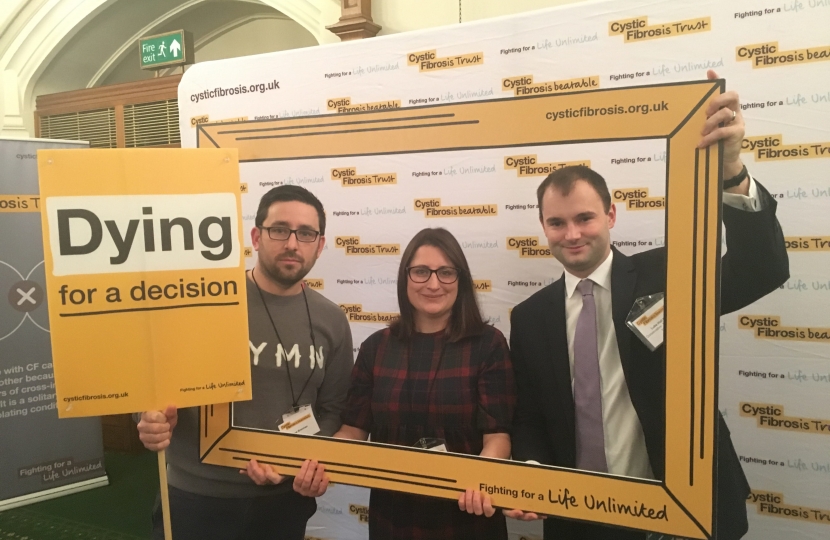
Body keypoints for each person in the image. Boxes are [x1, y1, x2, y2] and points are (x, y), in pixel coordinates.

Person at [506, 70, 789, 540]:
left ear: (611, 215)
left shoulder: (669, 272)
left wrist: (732, 173)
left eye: (584, 217)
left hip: (682, 510)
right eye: (557, 223)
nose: (572, 234)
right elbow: (531, 415)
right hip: (583, 518)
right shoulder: (531, 317)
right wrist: (532, 473)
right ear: (542, 227)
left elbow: (762, 270)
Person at [136, 185, 354, 540]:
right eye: (279, 230)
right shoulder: (205, 302)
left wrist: (293, 462)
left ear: (320, 244)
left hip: (283, 502)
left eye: (306, 233)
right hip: (195, 496)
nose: (292, 244)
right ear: (256, 236)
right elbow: (154, 382)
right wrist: (148, 417)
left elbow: (333, 410)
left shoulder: (332, 321)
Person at [298, 227, 516, 540]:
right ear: (405, 278)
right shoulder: (376, 348)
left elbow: (498, 436)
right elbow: (353, 431)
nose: (433, 283)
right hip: (393, 519)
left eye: (446, 272)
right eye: (421, 272)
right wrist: (314, 462)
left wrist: (483, 478)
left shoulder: (488, 344)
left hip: (468, 517)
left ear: (461, 280)